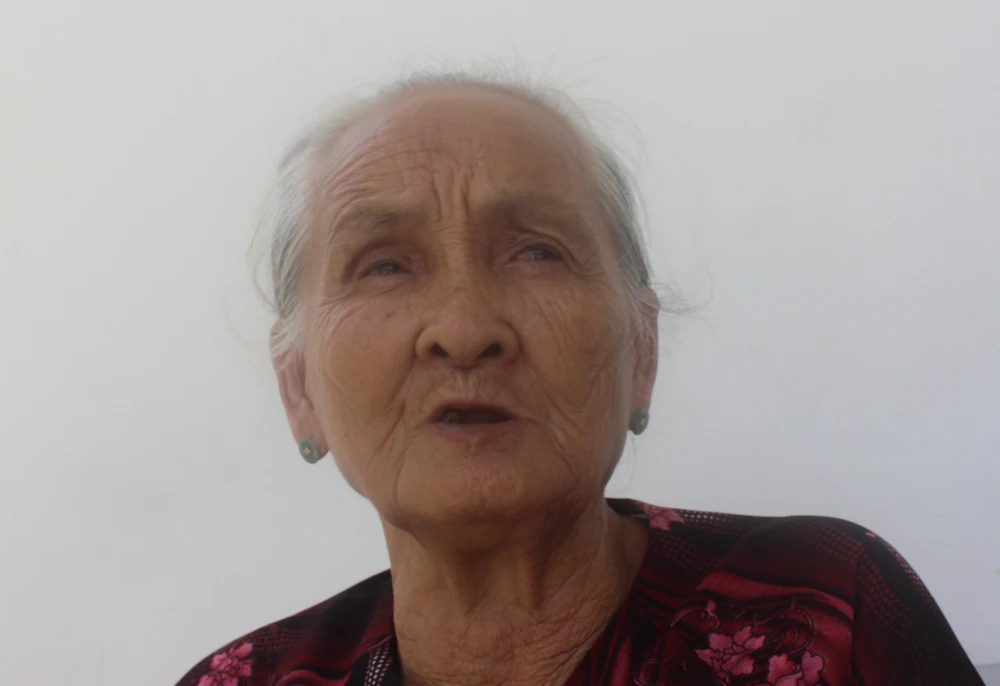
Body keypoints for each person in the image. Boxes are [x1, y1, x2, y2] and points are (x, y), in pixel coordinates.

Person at [177, 73, 983, 686]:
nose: (465, 329)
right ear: (299, 387)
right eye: (383, 265)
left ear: (642, 353)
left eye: (537, 252)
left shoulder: (824, 610)